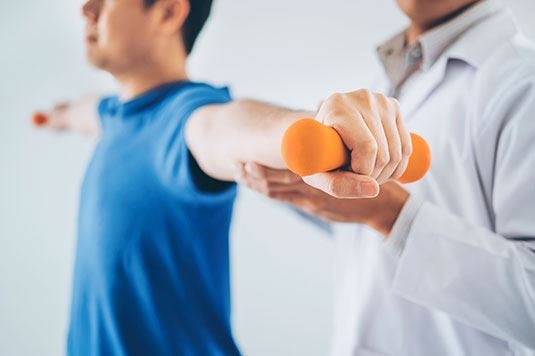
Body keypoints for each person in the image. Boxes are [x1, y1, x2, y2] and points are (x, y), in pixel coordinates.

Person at [34, 0, 411, 354]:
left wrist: (309, 129)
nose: (87, 8)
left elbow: (232, 128)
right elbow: (86, 113)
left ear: (167, 12)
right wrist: (58, 117)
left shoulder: (188, 119)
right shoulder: (111, 114)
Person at [236, 0, 535, 355]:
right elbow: (379, 246)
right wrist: (310, 196)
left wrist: (392, 216)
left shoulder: (523, 83)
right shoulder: (389, 76)